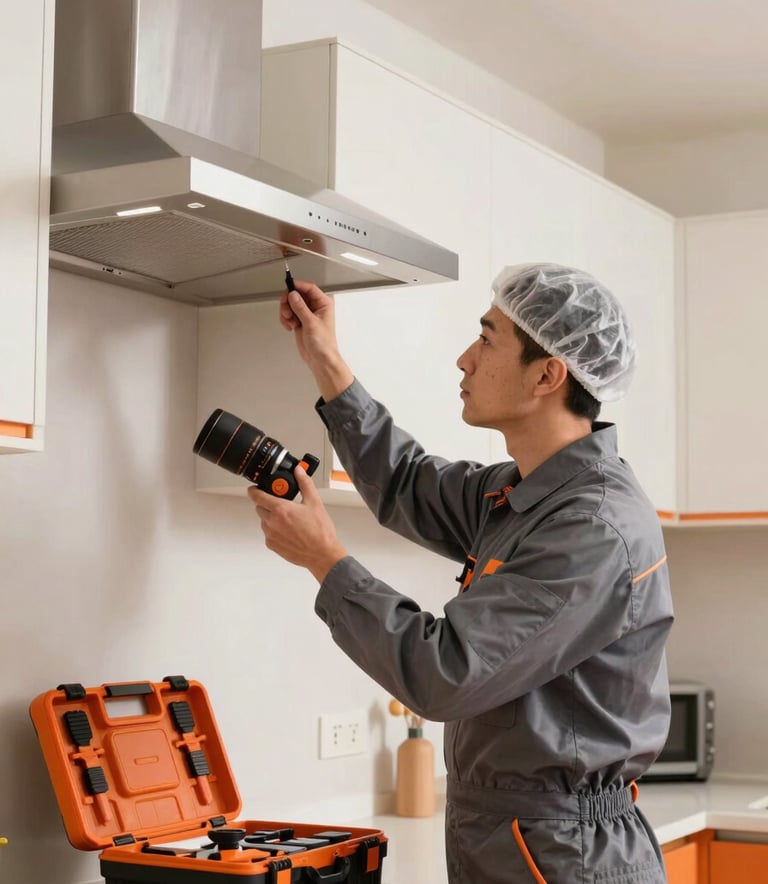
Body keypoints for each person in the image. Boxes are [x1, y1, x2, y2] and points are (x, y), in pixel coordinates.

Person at [248, 263, 673, 884]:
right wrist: (326, 359)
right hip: (512, 836)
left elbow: (445, 673)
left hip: (564, 855)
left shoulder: (590, 529)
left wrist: (324, 559)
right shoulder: (527, 494)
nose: (463, 359)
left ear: (547, 375)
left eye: (486, 338)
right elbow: (406, 482)